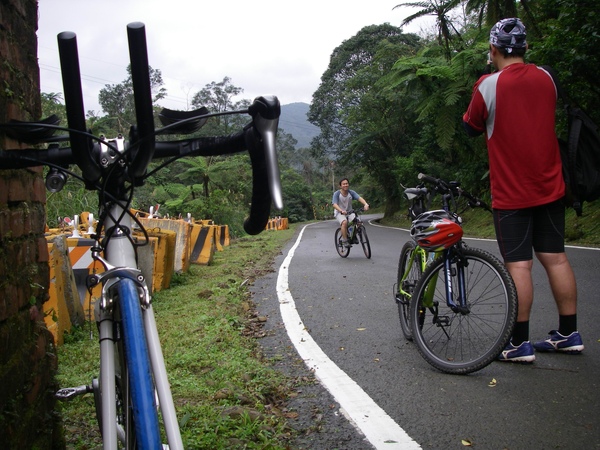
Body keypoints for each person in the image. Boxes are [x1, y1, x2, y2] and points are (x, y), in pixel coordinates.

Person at [462, 18, 584, 363]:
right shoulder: (547, 77)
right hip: (551, 186)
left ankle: (519, 343)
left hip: (512, 193)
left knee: (519, 266)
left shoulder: (487, 86)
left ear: (493, 50)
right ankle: (568, 333)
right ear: (526, 48)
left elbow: (470, 126)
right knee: (556, 257)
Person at [332, 178, 369, 245]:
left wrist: (365, 204)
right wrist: (341, 211)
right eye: (344, 184)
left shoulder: (351, 192)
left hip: (350, 212)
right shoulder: (337, 194)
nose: (345, 185)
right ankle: (345, 240)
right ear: (340, 186)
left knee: (358, 222)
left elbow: (359, 198)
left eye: (346, 183)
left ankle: (353, 236)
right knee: (344, 223)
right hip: (339, 212)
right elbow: (334, 204)